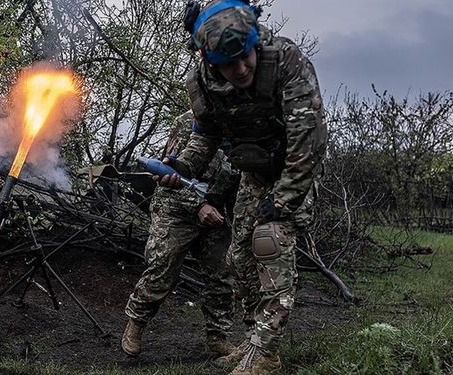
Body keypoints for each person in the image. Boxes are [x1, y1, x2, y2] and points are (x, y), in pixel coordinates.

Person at [158, 1, 328, 374]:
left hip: (293, 170)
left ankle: (266, 352)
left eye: (245, 57)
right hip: (254, 174)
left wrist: (282, 202)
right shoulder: (202, 82)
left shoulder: (285, 60)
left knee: (269, 243)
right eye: (228, 63)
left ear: (254, 42)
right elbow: (206, 137)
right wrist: (181, 166)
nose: (240, 69)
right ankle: (255, 339)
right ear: (209, 59)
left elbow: (309, 140)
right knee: (238, 259)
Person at [121, 111, 240, 358]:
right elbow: (173, 173)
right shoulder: (188, 122)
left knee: (222, 273)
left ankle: (217, 338)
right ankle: (136, 325)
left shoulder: (245, 124)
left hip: (215, 210)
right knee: (162, 267)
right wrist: (198, 206)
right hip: (175, 206)